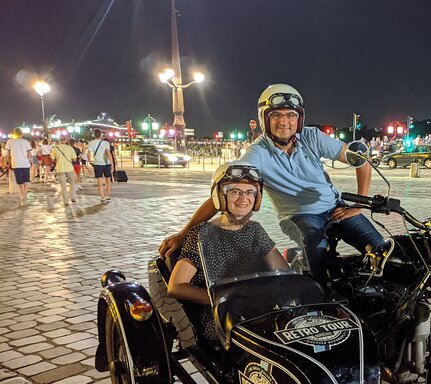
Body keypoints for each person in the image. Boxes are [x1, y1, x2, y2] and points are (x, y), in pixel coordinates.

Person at [159, 84, 384, 285]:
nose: (284, 122)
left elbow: (360, 160)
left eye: (291, 115)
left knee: (381, 250)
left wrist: (359, 204)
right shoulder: (258, 152)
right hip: (299, 216)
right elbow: (225, 191)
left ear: (299, 118)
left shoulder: (311, 137)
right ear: (265, 119)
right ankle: (321, 302)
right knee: (317, 252)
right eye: (276, 115)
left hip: (337, 208)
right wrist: (184, 233)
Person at [167, 163, 289, 346]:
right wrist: (223, 299)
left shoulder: (255, 230)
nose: (243, 198)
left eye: (249, 192)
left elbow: (283, 272)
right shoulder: (203, 234)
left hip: (256, 306)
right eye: (235, 192)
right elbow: (176, 287)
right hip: (221, 313)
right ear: (221, 196)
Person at [2, 128, 32, 206]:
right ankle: (25, 196)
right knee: (26, 181)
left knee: (19, 182)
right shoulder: (26, 142)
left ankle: (22, 196)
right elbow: (29, 154)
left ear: (14, 133)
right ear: (22, 134)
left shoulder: (10, 141)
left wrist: (8, 161)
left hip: (16, 164)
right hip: (25, 164)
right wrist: (29, 161)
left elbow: (5, 154)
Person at [50, 137, 79, 206]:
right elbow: (74, 159)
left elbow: (52, 159)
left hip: (60, 168)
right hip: (69, 168)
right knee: (72, 183)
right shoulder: (70, 148)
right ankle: (73, 197)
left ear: (60, 141)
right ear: (66, 141)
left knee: (63, 185)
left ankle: (65, 201)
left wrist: (58, 161)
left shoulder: (55, 148)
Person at [88, 129, 114, 202]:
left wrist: (90, 161)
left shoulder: (91, 143)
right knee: (108, 181)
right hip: (106, 164)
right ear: (101, 134)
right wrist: (112, 164)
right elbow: (108, 154)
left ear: (94, 135)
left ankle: (102, 197)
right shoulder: (106, 143)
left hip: (97, 164)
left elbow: (89, 154)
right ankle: (108, 196)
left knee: (99, 182)